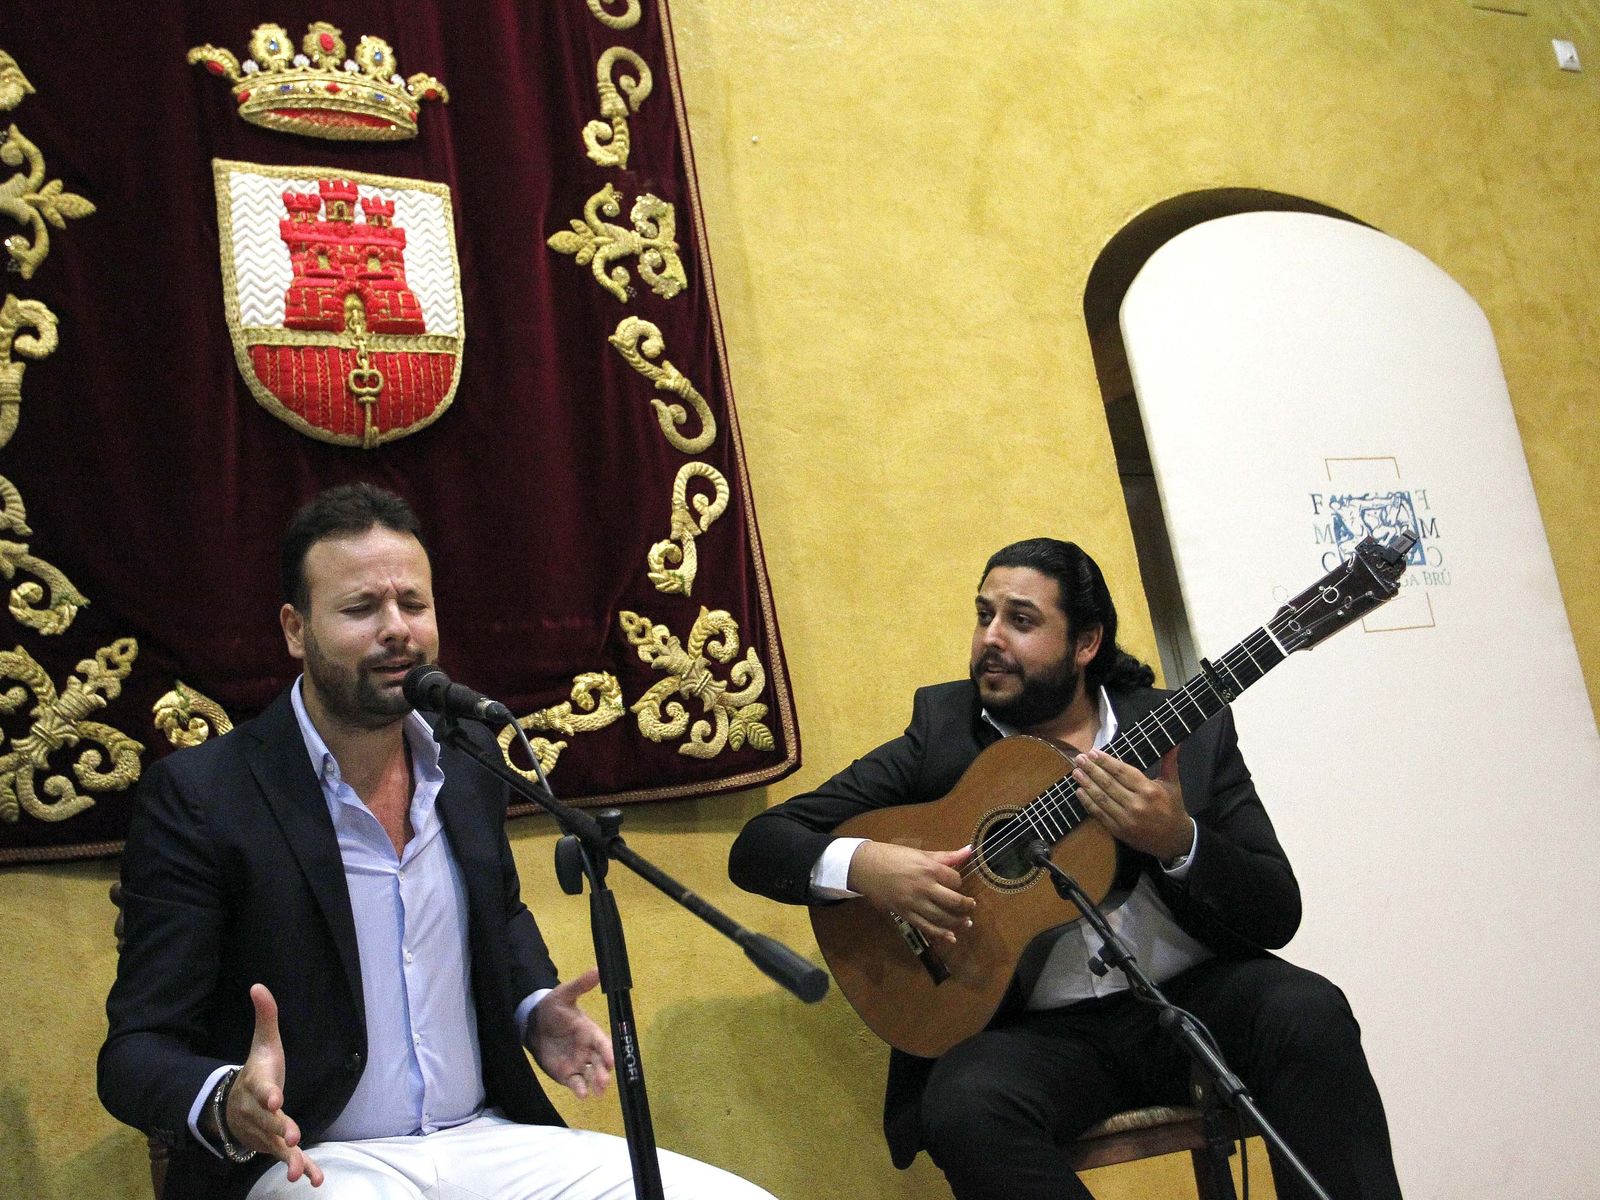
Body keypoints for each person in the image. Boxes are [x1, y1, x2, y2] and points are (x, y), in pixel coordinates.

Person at [100, 483, 773, 1200]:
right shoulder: (206, 796)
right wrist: (228, 1100)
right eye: (362, 608)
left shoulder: (467, 758)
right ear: (296, 630)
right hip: (319, 1159)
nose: (398, 630)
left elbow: (499, 910)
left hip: (486, 1137)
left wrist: (533, 1007)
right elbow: (134, 1051)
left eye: (413, 605)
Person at [728, 537, 1402, 1200]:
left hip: (1187, 1004)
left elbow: (1276, 912)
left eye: (1020, 621)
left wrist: (1179, 839)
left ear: (1085, 644)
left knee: (1307, 1012)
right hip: (1037, 1040)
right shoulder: (941, 733)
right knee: (964, 1103)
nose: (991, 637)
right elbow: (760, 843)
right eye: (983, 614)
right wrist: (867, 865)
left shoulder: (1190, 733)